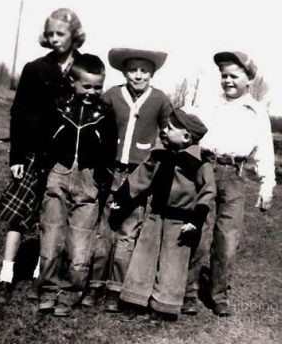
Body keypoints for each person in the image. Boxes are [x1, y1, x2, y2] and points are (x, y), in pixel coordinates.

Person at [0, 8, 86, 301]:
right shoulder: (35, 69)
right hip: (33, 152)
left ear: (74, 36)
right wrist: (16, 158)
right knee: (19, 215)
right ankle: (6, 275)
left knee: (54, 215)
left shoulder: (83, 70)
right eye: (50, 34)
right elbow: (18, 114)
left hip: (62, 156)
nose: (55, 39)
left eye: (61, 34)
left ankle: (41, 274)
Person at [182, 51, 276, 317]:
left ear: (249, 80)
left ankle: (218, 293)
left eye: (234, 76)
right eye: (224, 76)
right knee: (197, 229)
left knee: (227, 237)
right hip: (206, 170)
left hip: (235, 174)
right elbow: (189, 132)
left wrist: (266, 185)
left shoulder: (256, 111)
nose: (228, 81)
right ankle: (187, 291)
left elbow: (264, 153)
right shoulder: (209, 105)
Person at [82, 48, 172, 311]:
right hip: (111, 171)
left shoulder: (159, 100)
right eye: (133, 70)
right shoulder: (112, 94)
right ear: (124, 72)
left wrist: (158, 162)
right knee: (104, 232)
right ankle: (95, 285)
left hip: (138, 176)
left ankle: (116, 289)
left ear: (152, 73)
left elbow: (170, 134)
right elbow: (93, 122)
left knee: (127, 233)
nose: (138, 75)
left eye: (144, 70)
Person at [111, 109, 215, 322]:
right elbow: (141, 176)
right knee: (143, 256)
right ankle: (134, 300)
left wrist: (195, 220)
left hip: (181, 221)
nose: (164, 131)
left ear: (186, 136)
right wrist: (121, 198)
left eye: (170, 128)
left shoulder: (199, 162)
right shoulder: (159, 154)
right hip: (155, 215)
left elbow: (208, 191)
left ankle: (164, 307)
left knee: (172, 263)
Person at [37, 54, 117, 317]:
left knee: (80, 244)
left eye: (97, 87)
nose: (91, 92)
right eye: (86, 86)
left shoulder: (105, 113)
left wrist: (100, 180)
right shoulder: (59, 106)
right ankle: (48, 290)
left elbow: (108, 152)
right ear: (73, 82)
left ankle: (70, 293)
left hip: (88, 179)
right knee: (51, 238)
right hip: (58, 173)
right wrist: (46, 168)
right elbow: (46, 140)